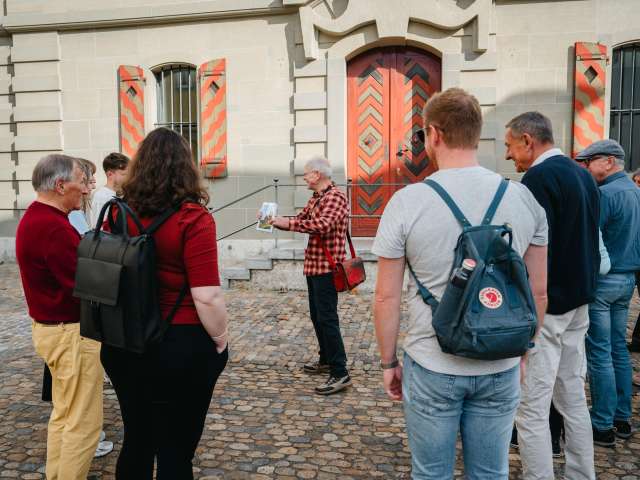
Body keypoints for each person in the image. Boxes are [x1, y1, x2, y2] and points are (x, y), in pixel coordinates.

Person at [372, 88, 548, 479]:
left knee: (431, 473)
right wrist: (525, 351)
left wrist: (388, 362)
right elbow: (537, 292)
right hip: (501, 361)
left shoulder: (408, 202)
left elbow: (385, 297)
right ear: (476, 133)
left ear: (434, 134)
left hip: (433, 361)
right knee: (490, 473)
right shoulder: (523, 199)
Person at [100, 128, 228, 479]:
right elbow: (207, 295)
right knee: (175, 450)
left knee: (137, 439)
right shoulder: (193, 217)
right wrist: (221, 339)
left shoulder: (118, 213)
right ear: (186, 167)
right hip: (180, 341)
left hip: (125, 338)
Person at [505, 111, 599, 479]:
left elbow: (530, 248)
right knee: (572, 397)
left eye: (511, 146)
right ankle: (582, 474)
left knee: (532, 407)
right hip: (580, 300)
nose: (509, 155)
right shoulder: (583, 174)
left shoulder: (538, 179)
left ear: (528, 140)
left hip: (550, 306)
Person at [15, 154, 103, 480]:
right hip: (71, 333)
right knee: (84, 423)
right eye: (81, 182)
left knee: (64, 415)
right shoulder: (53, 226)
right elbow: (84, 284)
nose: (86, 189)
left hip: (53, 331)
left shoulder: (36, 217)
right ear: (61, 185)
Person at [575, 139, 640, 445]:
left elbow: (589, 239)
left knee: (600, 352)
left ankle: (602, 424)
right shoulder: (635, 192)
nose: (586, 167)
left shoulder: (605, 194)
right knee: (617, 349)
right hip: (627, 280)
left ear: (609, 161)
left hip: (604, 281)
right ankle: (622, 419)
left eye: (589, 162)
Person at [269, 155, 351, 395]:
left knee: (328, 319)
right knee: (317, 317)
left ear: (317, 174)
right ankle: (326, 359)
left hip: (327, 269)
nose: (304, 177)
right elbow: (302, 219)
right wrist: (276, 221)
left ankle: (340, 372)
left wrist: (288, 224)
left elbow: (321, 225)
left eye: (306, 173)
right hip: (314, 267)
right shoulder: (317, 197)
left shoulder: (336, 197)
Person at [88, 152, 129, 227]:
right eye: (123, 174)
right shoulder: (101, 196)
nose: (127, 178)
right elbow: (99, 228)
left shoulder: (117, 194)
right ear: (110, 174)